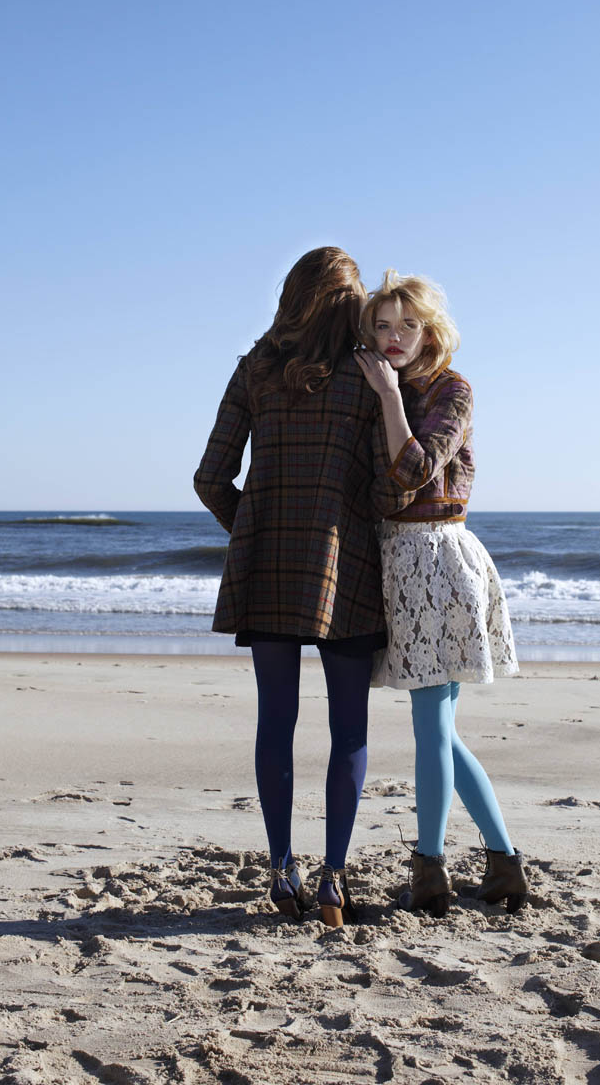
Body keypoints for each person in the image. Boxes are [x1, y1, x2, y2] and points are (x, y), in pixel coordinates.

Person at [194, 247, 401, 927]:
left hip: (270, 570)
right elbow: (388, 490)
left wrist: (251, 525)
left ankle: (282, 872)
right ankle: (333, 881)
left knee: (275, 722)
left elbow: (210, 478)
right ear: (352, 305)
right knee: (349, 731)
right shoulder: (367, 377)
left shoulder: (254, 369)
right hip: (347, 574)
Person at [355, 269, 528, 917]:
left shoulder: (451, 390)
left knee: (432, 724)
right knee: (441, 731)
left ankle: (429, 872)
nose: (395, 337)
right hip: (394, 560)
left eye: (407, 325)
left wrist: (391, 398)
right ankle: (505, 862)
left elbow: (414, 469)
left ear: (429, 329)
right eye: (382, 326)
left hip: (438, 558)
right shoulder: (373, 387)